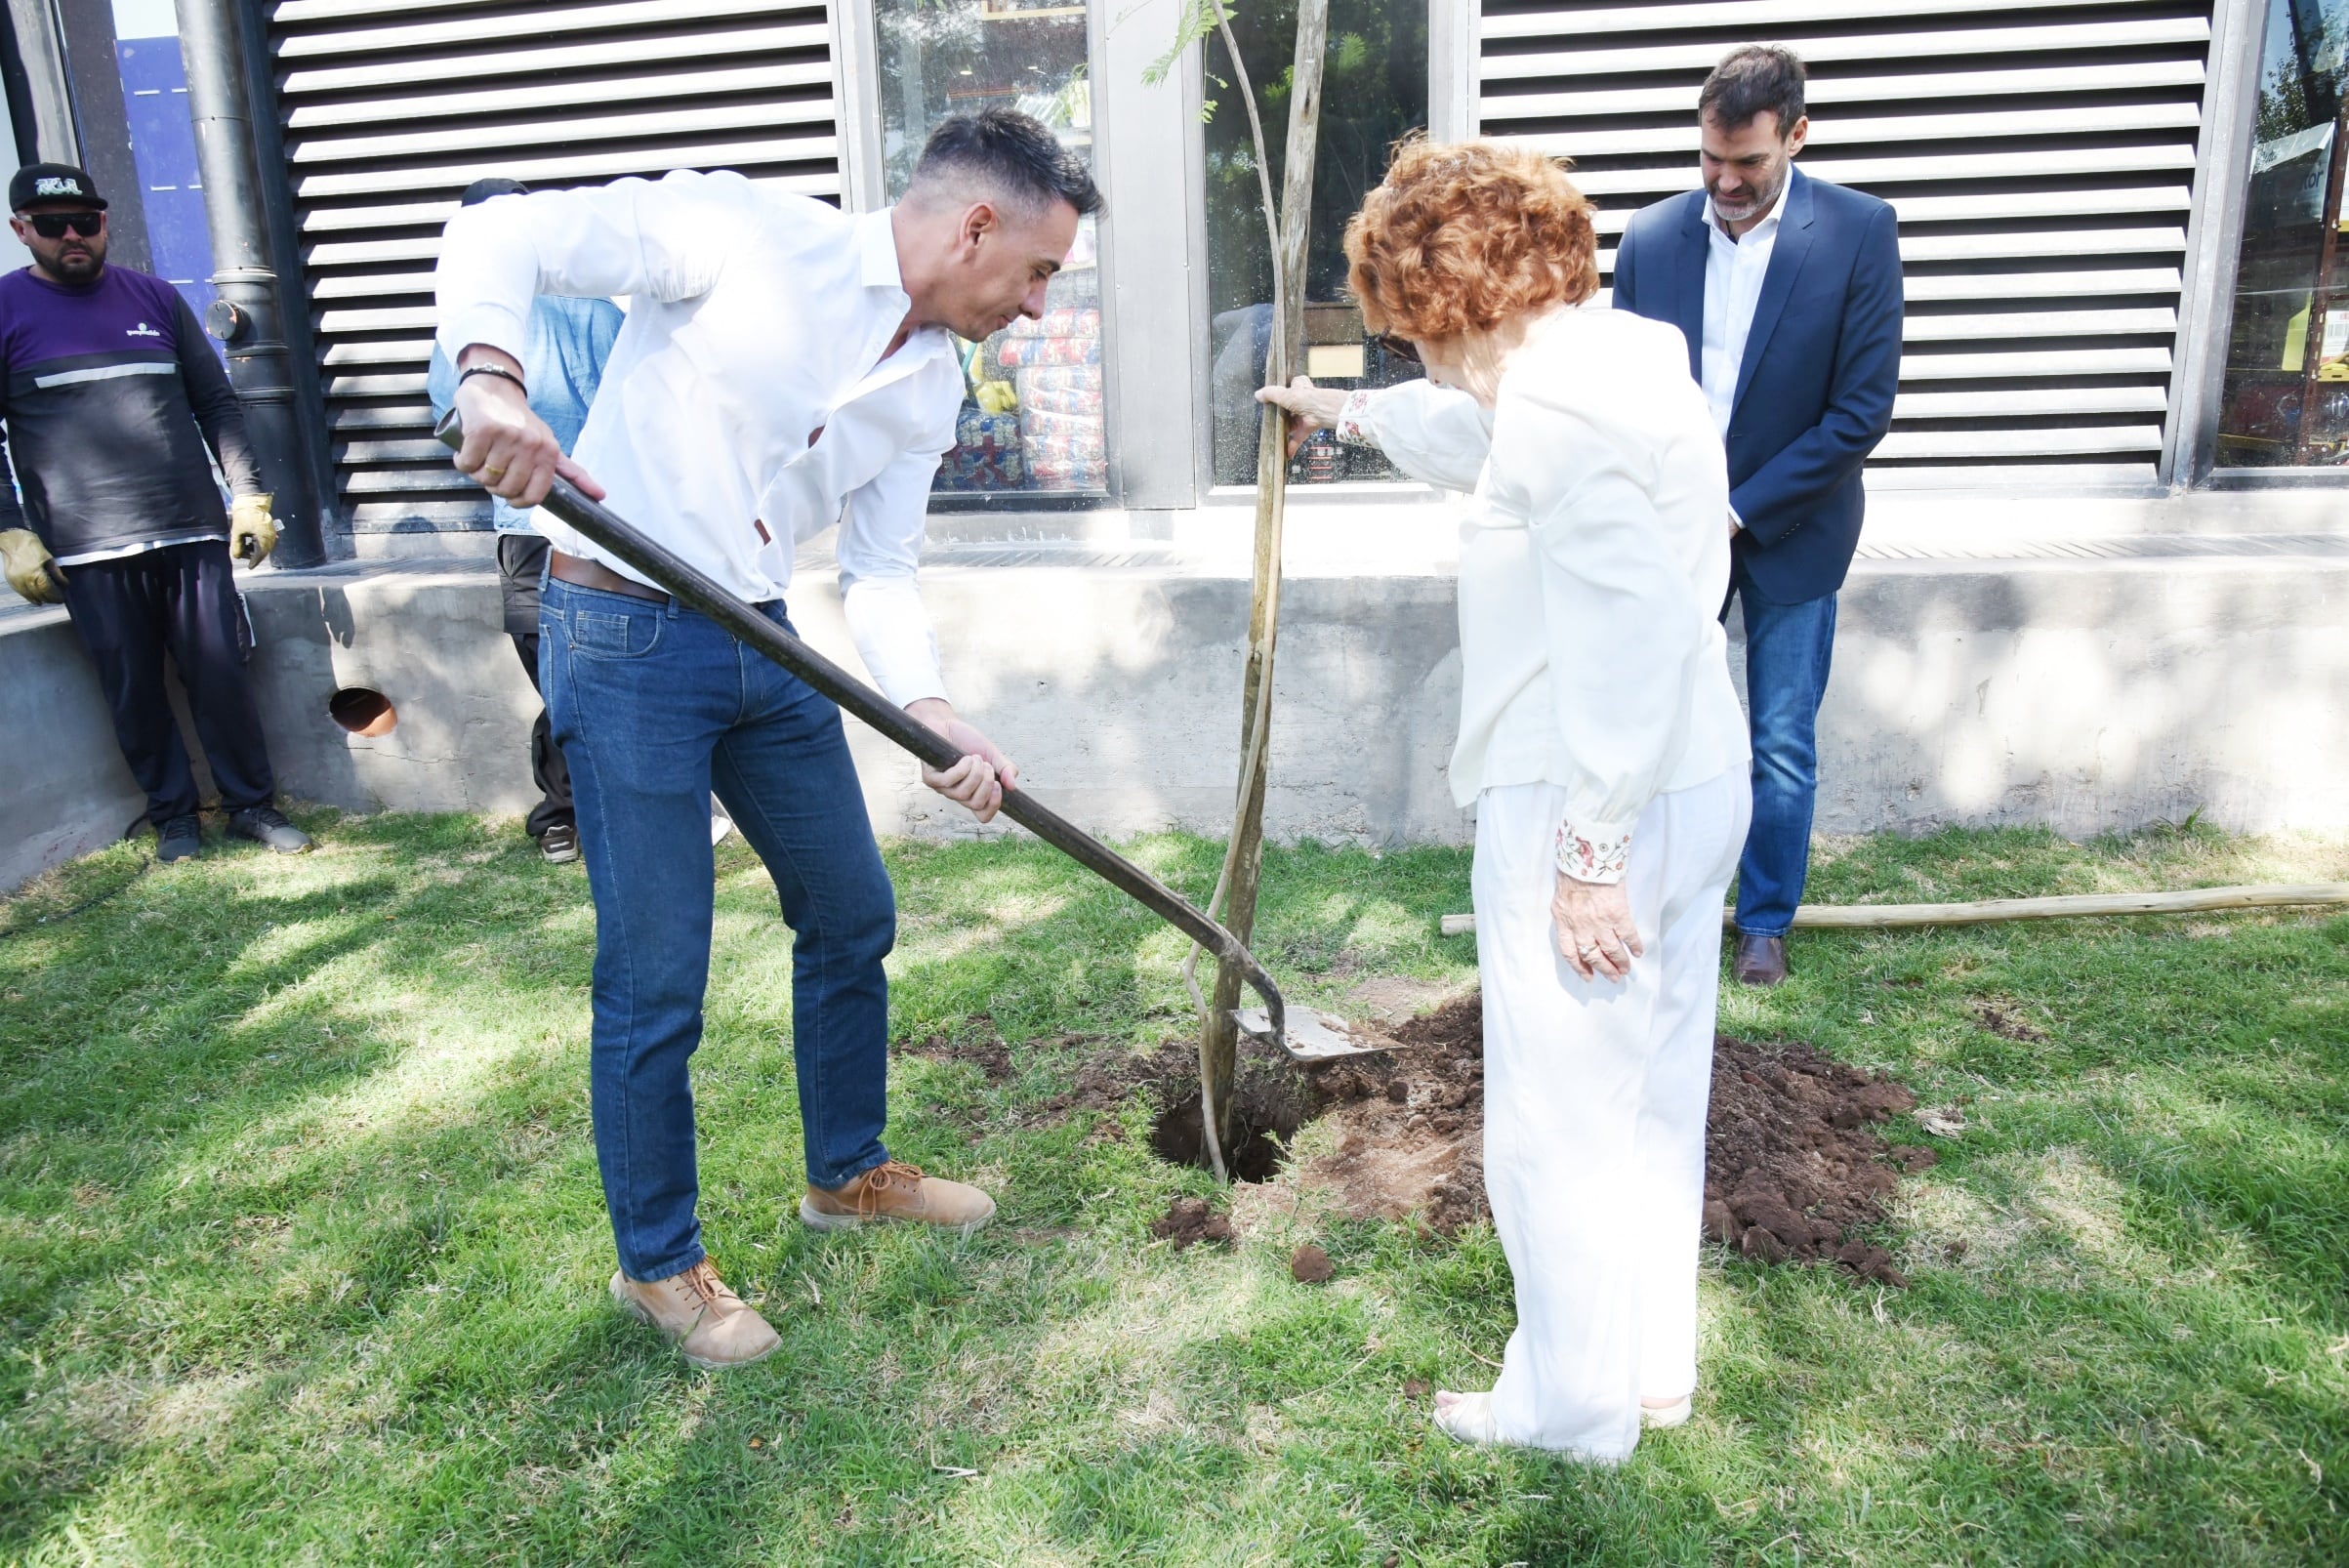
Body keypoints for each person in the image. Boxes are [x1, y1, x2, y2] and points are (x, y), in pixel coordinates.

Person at [433, 110, 1099, 1369]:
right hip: (623, 634)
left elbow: (883, 566)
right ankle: (659, 1263)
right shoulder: (737, 233)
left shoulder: (930, 380)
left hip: (763, 635)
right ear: (975, 227)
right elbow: (497, 231)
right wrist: (489, 378)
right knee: (657, 969)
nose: (1036, 305)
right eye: (1039, 271)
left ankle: (846, 1174)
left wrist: (933, 708)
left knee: (851, 911)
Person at [1261, 140, 1751, 1461]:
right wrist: (1341, 411)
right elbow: (1466, 430)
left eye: (1411, 330)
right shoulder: (1614, 357)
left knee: (1559, 1113)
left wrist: (1587, 855)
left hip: (1591, 786)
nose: (1415, 356)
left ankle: (1566, 1410)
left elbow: (1628, 630)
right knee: (1651, 1088)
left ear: (1451, 303)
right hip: (1692, 771)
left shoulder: (1558, 411)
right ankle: (1645, 1367)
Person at [1611, 45, 1903, 987]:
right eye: (1711, 159)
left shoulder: (1860, 232)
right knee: (1653, 720)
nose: (1726, 182)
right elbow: (1622, 398)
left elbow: (1859, 413)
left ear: (1798, 135)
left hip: (1792, 532)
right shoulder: (1652, 241)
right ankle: (1650, 892)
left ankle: (1764, 918)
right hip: (1668, 533)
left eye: (1750, 163)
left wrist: (1733, 512)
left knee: (1778, 739)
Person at [0, 161, 309, 861]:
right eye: (52, 226)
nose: (72, 235)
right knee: (134, 688)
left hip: (191, 529)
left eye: (86, 220)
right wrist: (10, 531)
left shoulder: (155, 298)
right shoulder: (5, 311)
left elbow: (216, 404)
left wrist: (250, 496)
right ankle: (173, 817)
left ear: (105, 222)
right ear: (23, 231)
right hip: (85, 547)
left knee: (221, 673)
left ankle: (251, 806)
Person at [427, 177, 623, 865]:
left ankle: (588, 813)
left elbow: (449, 425)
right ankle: (569, 814)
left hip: (586, 530)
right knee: (573, 680)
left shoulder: (585, 312)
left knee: (576, 679)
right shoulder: (471, 333)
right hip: (556, 529)